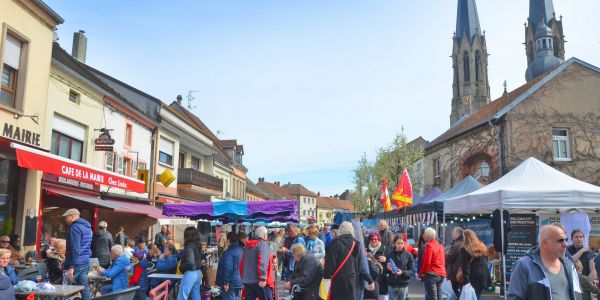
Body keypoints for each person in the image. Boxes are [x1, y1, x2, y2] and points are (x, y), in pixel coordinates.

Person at [507, 224, 581, 300]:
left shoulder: (569, 265)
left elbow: (577, 294)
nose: (565, 244)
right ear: (545, 243)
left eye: (566, 240)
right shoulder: (524, 265)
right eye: (560, 240)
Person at [324, 221, 375, 300]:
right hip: (352, 283)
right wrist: (370, 280)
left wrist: (326, 279)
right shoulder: (356, 244)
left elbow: (330, 266)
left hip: (338, 283)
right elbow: (360, 266)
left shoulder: (336, 243)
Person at [63, 208, 92, 300]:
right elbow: (87, 246)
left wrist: (71, 266)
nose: (65, 220)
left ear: (72, 217)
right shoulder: (88, 228)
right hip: (85, 262)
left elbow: (75, 249)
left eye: (66, 217)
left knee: (65, 287)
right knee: (84, 287)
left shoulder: (75, 228)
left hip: (75, 263)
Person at [242, 226, 275, 300]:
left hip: (248, 280)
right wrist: (263, 278)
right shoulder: (262, 244)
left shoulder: (247, 246)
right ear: (264, 235)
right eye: (267, 234)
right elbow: (262, 262)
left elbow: (242, 262)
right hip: (259, 281)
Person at [457, 229, 491, 300]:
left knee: (471, 296)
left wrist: (466, 281)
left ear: (465, 237)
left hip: (472, 275)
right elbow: (486, 260)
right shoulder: (482, 246)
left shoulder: (465, 249)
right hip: (483, 274)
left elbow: (465, 266)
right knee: (478, 295)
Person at [418, 227, 446, 300]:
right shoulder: (440, 246)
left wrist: (422, 273)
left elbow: (427, 262)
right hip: (441, 274)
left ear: (426, 236)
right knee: (439, 296)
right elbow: (443, 260)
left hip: (432, 274)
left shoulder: (429, 246)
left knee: (432, 297)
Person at [216, 232, 243, 300]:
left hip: (230, 282)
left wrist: (226, 282)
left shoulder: (228, 252)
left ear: (228, 240)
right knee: (237, 297)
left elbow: (228, 268)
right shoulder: (242, 250)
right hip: (240, 281)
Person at [386, 236, 414, 300]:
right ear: (394, 244)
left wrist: (402, 272)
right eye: (398, 243)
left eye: (402, 243)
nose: (400, 245)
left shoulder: (408, 255)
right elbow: (384, 270)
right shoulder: (389, 254)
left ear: (404, 243)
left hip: (403, 283)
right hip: (392, 283)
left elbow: (412, 270)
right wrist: (387, 268)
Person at [178, 227, 203, 300]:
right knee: (196, 295)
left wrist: (182, 267)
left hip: (190, 273)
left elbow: (190, 262)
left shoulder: (189, 246)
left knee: (182, 296)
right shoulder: (197, 245)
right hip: (198, 272)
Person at [367, 231, 390, 300]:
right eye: (372, 239)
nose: (374, 240)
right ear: (369, 240)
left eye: (375, 239)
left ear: (379, 239)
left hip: (382, 280)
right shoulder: (366, 250)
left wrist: (386, 259)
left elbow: (392, 264)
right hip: (370, 281)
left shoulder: (385, 249)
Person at [446, 227, 464, 296]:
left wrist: (445, 254)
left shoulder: (456, 244)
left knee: (456, 288)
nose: (452, 234)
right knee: (460, 289)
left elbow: (448, 257)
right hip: (461, 270)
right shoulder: (463, 242)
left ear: (458, 234)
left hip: (455, 271)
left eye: (453, 233)